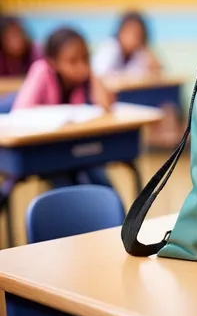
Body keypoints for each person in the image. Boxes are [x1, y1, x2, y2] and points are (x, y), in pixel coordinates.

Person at [13, 27, 115, 187]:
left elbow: (106, 107)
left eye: (85, 58)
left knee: (100, 179)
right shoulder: (41, 71)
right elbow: (20, 111)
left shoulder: (85, 78)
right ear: (53, 62)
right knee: (67, 182)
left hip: (74, 148)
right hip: (45, 149)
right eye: (73, 61)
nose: (81, 66)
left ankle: (112, 210)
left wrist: (92, 72)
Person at [92, 11, 161, 76]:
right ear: (120, 32)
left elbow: (157, 71)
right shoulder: (110, 48)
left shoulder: (138, 53)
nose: (132, 38)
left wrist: (147, 52)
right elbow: (99, 73)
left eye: (137, 35)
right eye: (129, 32)